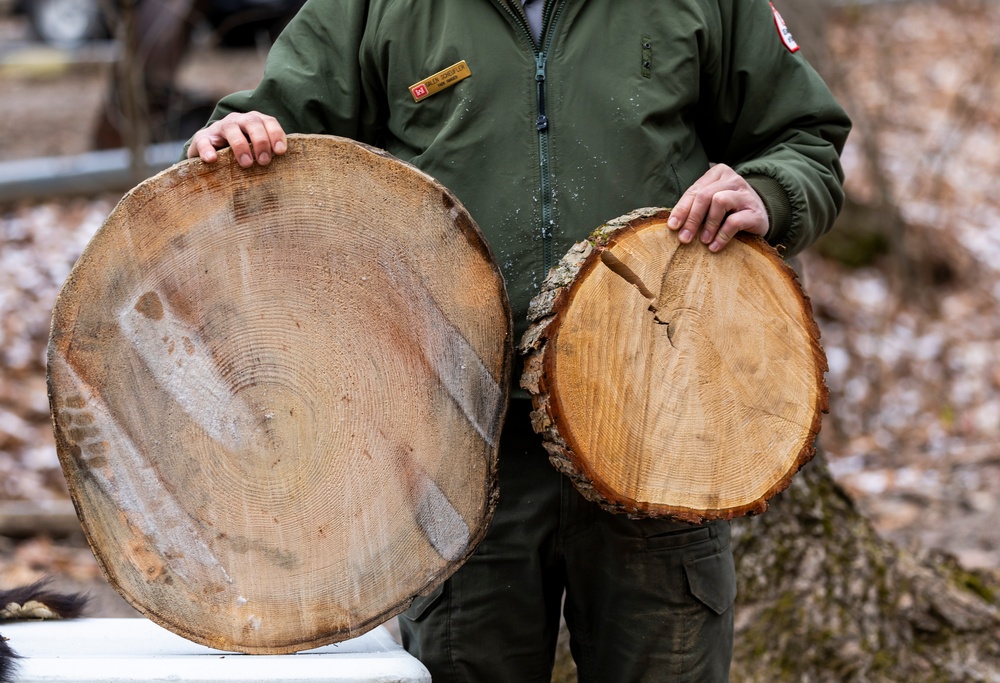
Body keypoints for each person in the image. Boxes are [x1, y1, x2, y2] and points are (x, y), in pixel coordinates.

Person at [186, 0, 851, 680]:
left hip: (664, 435)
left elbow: (805, 139)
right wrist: (238, 136)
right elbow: (265, 139)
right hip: (459, 448)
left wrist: (771, 190)